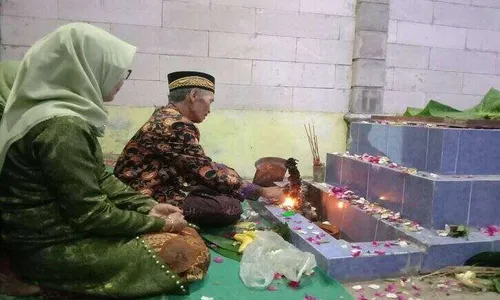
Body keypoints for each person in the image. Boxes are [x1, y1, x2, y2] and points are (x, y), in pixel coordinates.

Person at [0, 23, 209, 299]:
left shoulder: (60, 116)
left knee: (189, 232)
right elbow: (91, 214)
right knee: (188, 251)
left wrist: (148, 207)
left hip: (43, 236)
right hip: (49, 246)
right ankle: (50, 284)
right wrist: (159, 224)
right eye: (120, 71)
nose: (123, 80)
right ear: (87, 67)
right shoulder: (62, 126)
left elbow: (101, 177)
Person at [113, 71, 284, 225]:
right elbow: (206, 174)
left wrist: (229, 175)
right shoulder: (176, 125)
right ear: (194, 95)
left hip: (149, 183)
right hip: (142, 194)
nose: (209, 110)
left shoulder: (166, 115)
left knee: (225, 172)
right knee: (229, 207)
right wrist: (262, 191)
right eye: (209, 102)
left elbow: (197, 164)